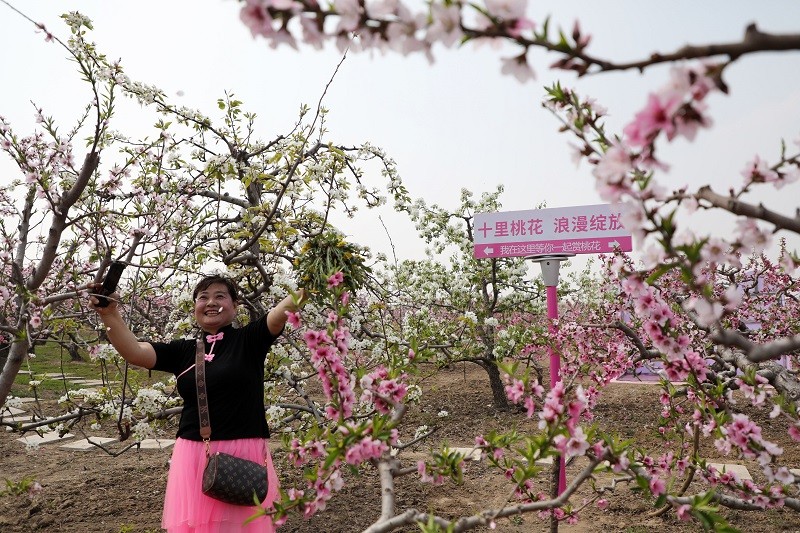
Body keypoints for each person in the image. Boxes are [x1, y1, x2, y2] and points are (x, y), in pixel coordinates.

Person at [90, 274, 305, 532]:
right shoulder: (183, 350)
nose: (211, 302)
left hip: (242, 453)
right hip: (193, 453)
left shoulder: (249, 339)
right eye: (203, 297)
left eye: (220, 296)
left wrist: (310, 282)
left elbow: (280, 314)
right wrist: (109, 314)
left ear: (235, 306)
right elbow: (135, 352)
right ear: (195, 307)